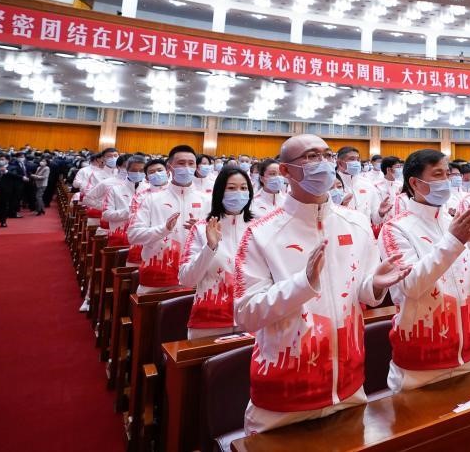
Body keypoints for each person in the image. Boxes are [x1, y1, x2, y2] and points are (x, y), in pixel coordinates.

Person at [234, 134, 410, 433]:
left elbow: (362, 291)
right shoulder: (261, 233)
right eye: (311, 157)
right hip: (283, 399)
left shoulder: (356, 223)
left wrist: (375, 286)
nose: (324, 164)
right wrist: (302, 284)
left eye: (327, 155)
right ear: (286, 171)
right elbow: (245, 315)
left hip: (350, 388)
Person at [378, 149, 470, 391]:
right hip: (420, 363)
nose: (446, 180)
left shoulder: (454, 222)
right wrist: (454, 241)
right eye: (438, 174)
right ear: (415, 183)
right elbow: (411, 285)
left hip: (467, 354)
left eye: (447, 174)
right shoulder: (395, 228)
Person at [179, 167, 255, 339]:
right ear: (220, 191)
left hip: (252, 319)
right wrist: (210, 248)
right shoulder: (201, 229)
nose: (239, 193)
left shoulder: (259, 228)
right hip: (209, 321)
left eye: (244, 188)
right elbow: (186, 279)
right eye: (231, 188)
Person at [129, 145, 211, 294]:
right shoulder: (151, 199)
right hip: (156, 279)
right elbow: (133, 236)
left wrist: (202, 231)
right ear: (169, 167)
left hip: (195, 278)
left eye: (191, 164)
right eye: (181, 163)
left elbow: (218, 242)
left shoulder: (207, 200)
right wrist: (164, 229)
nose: (186, 168)